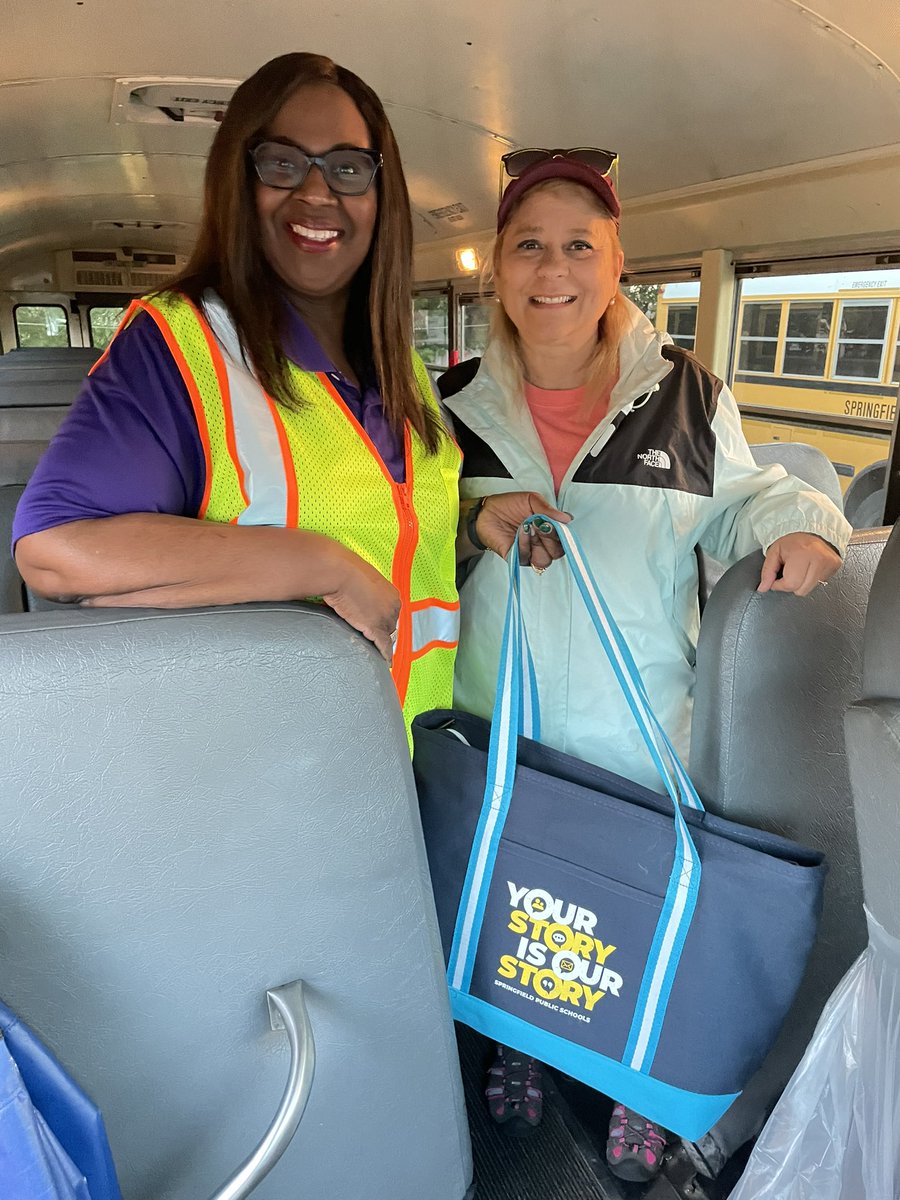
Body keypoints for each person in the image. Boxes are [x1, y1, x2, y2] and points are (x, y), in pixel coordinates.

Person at [441, 148, 851, 1182]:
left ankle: (636, 1083)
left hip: (641, 730)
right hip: (502, 722)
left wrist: (810, 523)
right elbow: (402, 536)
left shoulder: (685, 394)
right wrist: (468, 521)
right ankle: (514, 1045)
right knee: (514, 915)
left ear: (617, 263)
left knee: (631, 924)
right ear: (496, 264)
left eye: (581, 244)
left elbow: (750, 496)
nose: (554, 269)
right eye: (529, 244)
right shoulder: (445, 402)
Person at [13, 52, 462, 739]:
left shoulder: (400, 362)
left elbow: (390, 515)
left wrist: (478, 514)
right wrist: (323, 566)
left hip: (416, 775)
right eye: (283, 162)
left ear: (381, 195)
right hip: (271, 784)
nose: (318, 194)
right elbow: (55, 550)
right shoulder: (182, 343)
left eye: (348, 168)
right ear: (238, 177)